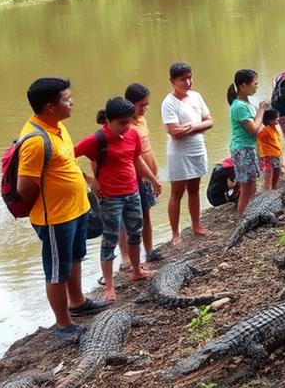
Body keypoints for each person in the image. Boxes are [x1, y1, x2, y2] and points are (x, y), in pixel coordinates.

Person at [18, 78, 109, 339]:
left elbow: (67, 163)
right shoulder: (35, 140)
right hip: (55, 217)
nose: (72, 102)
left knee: (76, 258)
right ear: (50, 106)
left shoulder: (57, 127)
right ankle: (63, 324)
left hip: (76, 209)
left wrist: (88, 182)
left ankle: (78, 302)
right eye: (66, 99)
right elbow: (26, 187)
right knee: (57, 270)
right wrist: (54, 197)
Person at [75, 97, 160, 302]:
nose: (127, 126)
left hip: (132, 192)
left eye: (129, 121)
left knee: (134, 233)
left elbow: (136, 159)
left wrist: (153, 179)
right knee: (110, 239)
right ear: (108, 121)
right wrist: (89, 180)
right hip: (110, 197)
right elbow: (67, 159)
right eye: (122, 122)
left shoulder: (132, 134)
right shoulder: (95, 140)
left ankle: (137, 270)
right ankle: (110, 286)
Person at [161, 62, 213, 246]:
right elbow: (174, 131)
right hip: (179, 153)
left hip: (197, 149)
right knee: (177, 193)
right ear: (172, 81)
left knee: (194, 189)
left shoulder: (196, 97)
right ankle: (175, 234)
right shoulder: (169, 102)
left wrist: (192, 127)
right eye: (183, 79)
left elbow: (210, 121)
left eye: (189, 77)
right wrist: (198, 127)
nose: (188, 82)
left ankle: (196, 225)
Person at [121, 83, 159, 269]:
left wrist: (153, 174)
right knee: (128, 219)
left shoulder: (142, 121)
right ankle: (126, 258)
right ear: (130, 104)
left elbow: (147, 147)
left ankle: (149, 251)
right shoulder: (124, 125)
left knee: (146, 213)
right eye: (141, 105)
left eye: (147, 104)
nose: (144, 108)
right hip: (132, 177)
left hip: (146, 176)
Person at [227, 69, 268, 215]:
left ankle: (249, 213)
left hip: (249, 147)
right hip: (242, 149)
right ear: (243, 85)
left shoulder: (246, 104)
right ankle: (242, 215)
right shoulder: (239, 106)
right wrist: (261, 110)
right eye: (254, 83)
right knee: (246, 186)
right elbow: (253, 128)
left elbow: (258, 127)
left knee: (251, 184)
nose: (256, 86)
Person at [258, 109, 282, 190]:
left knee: (277, 171)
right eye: (277, 118)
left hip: (276, 155)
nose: (279, 119)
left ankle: (274, 188)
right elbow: (258, 134)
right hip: (268, 156)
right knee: (269, 175)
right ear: (271, 121)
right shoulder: (265, 130)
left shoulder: (274, 128)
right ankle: (267, 191)